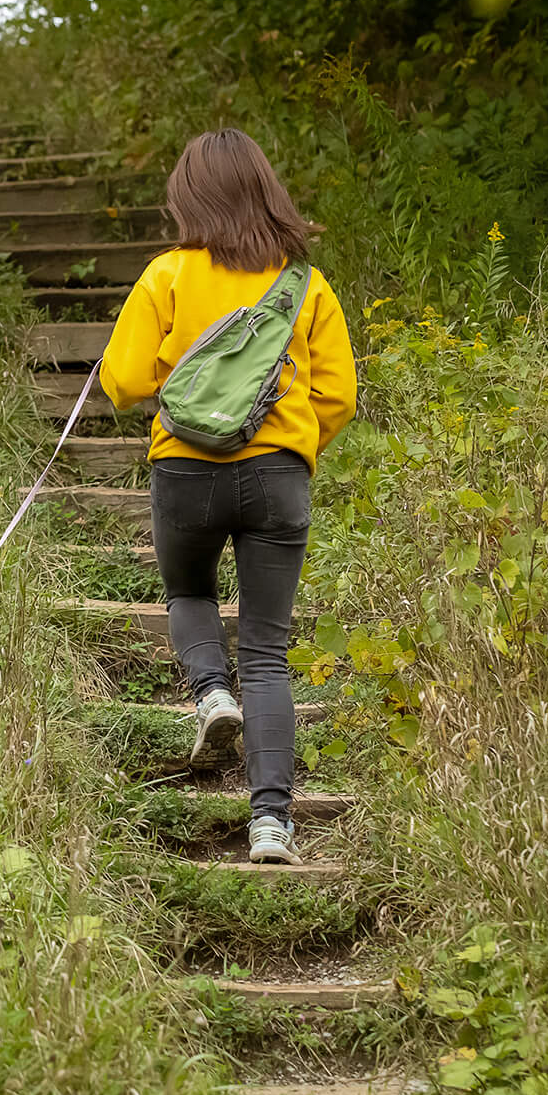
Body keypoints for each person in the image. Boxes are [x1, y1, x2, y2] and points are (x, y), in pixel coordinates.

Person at [99, 128, 356, 864]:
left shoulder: (167, 275)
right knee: (270, 655)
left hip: (186, 468)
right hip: (278, 473)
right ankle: (271, 823)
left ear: (189, 197)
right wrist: (292, 442)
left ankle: (211, 691)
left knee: (188, 594)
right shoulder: (306, 285)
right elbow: (338, 396)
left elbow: (122, 382)